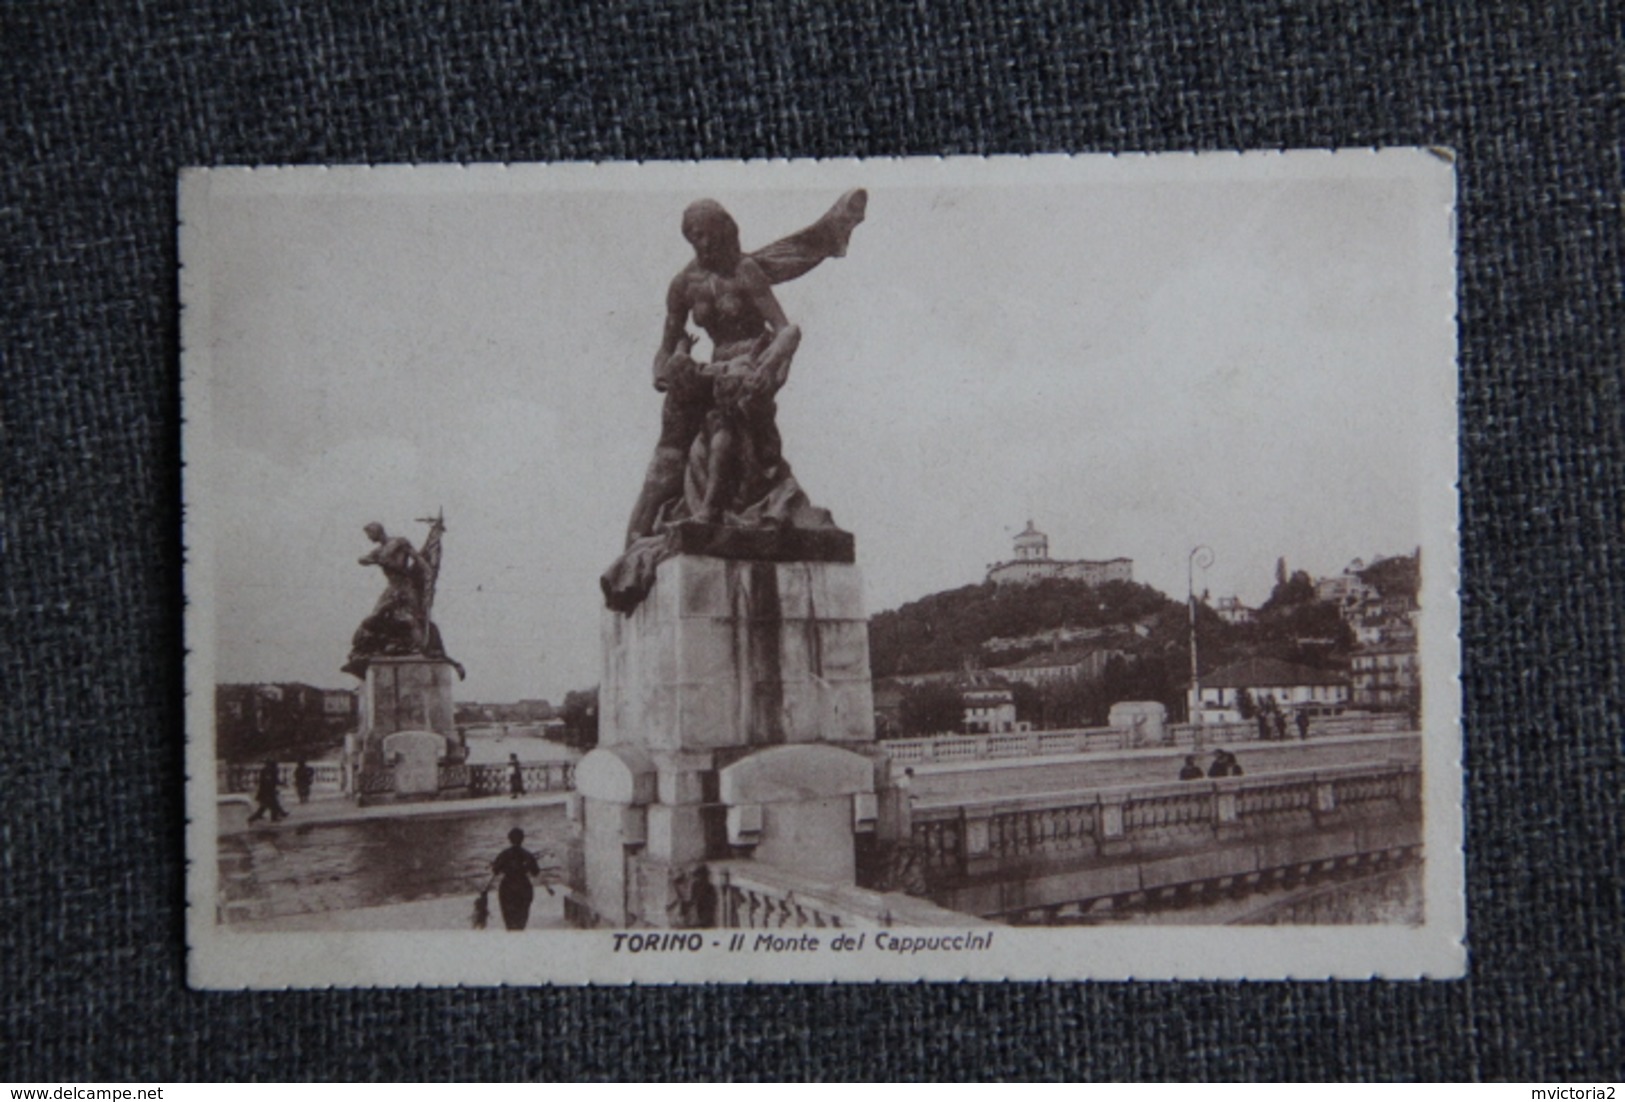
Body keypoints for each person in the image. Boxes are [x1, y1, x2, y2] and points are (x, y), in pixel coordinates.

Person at [603, 191, 867, 612]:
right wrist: (668, 369)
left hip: (748, 365)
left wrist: (769, 363)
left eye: (708, 234)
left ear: (726, 231)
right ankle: (632, 548)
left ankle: (709, 511)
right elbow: (663, 349)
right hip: (703, 374)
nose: (703, 244)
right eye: (694, 237)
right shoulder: (683, 285)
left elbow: (785, 328)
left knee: (723, 425)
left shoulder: (745, 271)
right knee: (664, 463)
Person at [489, 828, 541, 931]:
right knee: (521, 919)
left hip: (507, 888)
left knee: (509, 921)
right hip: (524, 887)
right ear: (523, 839)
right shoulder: (527, 854)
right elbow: (535, 872)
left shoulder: (504, 854)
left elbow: (495, 870)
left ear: (509, 839)